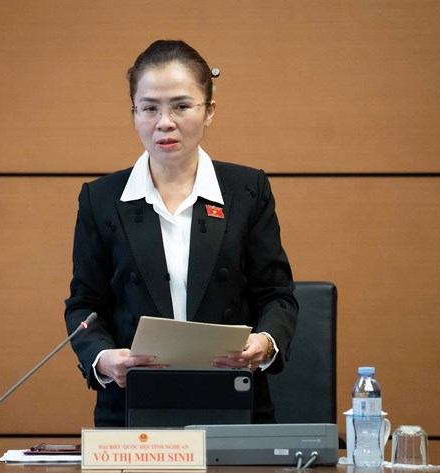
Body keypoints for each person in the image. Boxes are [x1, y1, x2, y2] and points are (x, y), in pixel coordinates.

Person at [65, 40, 298, 427]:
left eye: (181, 106)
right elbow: (84, 305)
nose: (164, 122)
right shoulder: (101, 198)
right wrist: (102, 358)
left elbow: (277, 296)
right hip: (132, 408)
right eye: (149, 108)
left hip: (233, 404)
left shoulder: (246, 190)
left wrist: (264, 343)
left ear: (209, 111)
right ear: (134, 113)